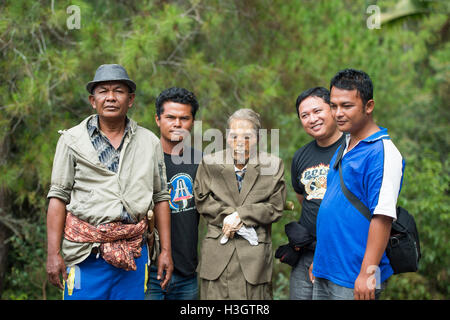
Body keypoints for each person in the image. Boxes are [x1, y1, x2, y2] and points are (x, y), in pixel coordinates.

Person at [46, 64, 173, 300]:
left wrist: (165, 250)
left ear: (131, 99)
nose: (111, 97)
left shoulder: (149, 142)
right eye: (103, 91)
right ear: (93, 100)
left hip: (133, 254)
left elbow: (161, 198)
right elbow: (58, 197)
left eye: (119, 91)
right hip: (85, 255)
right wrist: (53, 253)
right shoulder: (72, 140)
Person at [310, 68, 405, 300]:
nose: (338, 113)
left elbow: (382, 216)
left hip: (354, 276)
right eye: (333, 106)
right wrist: (319, 260)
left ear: (368, 106)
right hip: (326, 270)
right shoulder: (346, 143)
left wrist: (368, 273)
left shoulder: (382, 152)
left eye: (347, 106)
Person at [194, 108, 286, 300]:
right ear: (227, 137)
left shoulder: (273, 164)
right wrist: (230, 217)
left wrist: (242, 215)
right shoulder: (210, 163)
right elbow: (201, 199)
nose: (240, 142)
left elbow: (275, 207)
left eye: (248, 136)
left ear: (258, 138)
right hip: (217, 253)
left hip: (254, 258)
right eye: (234, 135)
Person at [146, 87, 202, 300]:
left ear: (192, 123)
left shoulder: (201, 162)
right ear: (158, 119)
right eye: (170, 117)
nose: (177, 124)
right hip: (148, 271)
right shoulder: (143, 161)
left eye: (184, 118)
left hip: (187, 272)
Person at [289, 87, 344, 300]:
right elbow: (304, 199)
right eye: (305, 115)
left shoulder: (353, 148)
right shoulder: (301, 156)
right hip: (306, 251)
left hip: (341, 253)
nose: (312, 119)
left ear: (332, 109)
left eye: (317, 111)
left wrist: (323, 255)